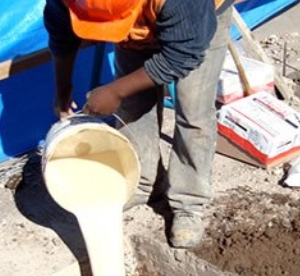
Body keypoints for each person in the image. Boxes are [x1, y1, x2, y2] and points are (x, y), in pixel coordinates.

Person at [44, 0, 234, 248]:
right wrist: (63, 89)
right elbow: (62, 34)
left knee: (193, 112)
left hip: (197, 20)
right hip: (139, 20)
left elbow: (182, 56)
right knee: (133, 106)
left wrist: (116, 91)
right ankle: (143, 184)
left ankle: (189, 203)